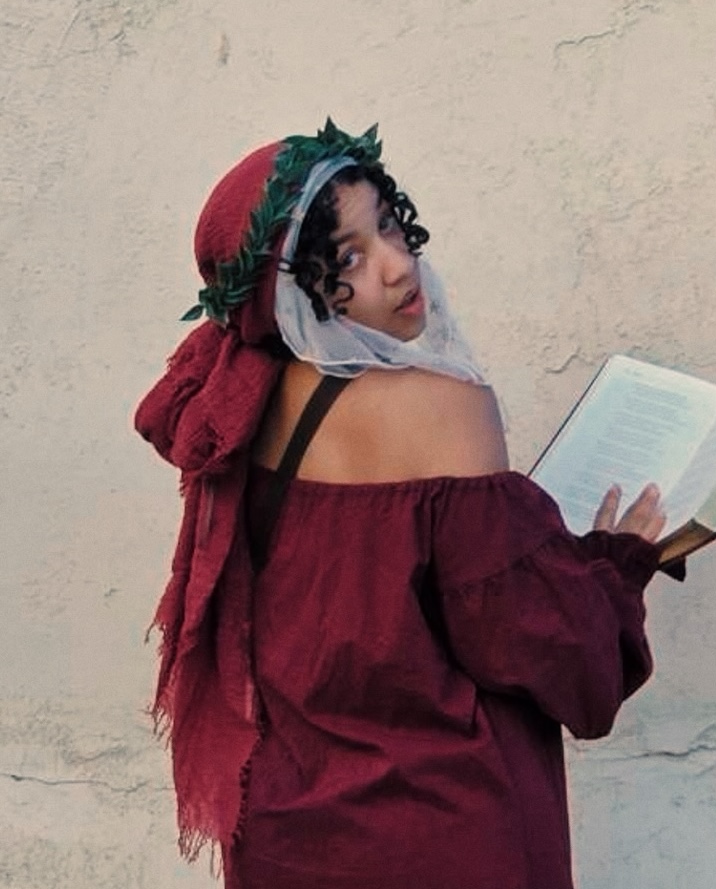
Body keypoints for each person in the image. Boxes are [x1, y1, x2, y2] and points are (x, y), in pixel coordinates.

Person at [135, 120, 666, 889]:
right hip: (439, 838)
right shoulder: (441, 409)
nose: (395, 265)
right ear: (291, 291)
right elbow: (560, 665)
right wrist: (614, 569)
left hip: (290, 838)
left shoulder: (249, 413)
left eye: (387, 224)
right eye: (346, 256)